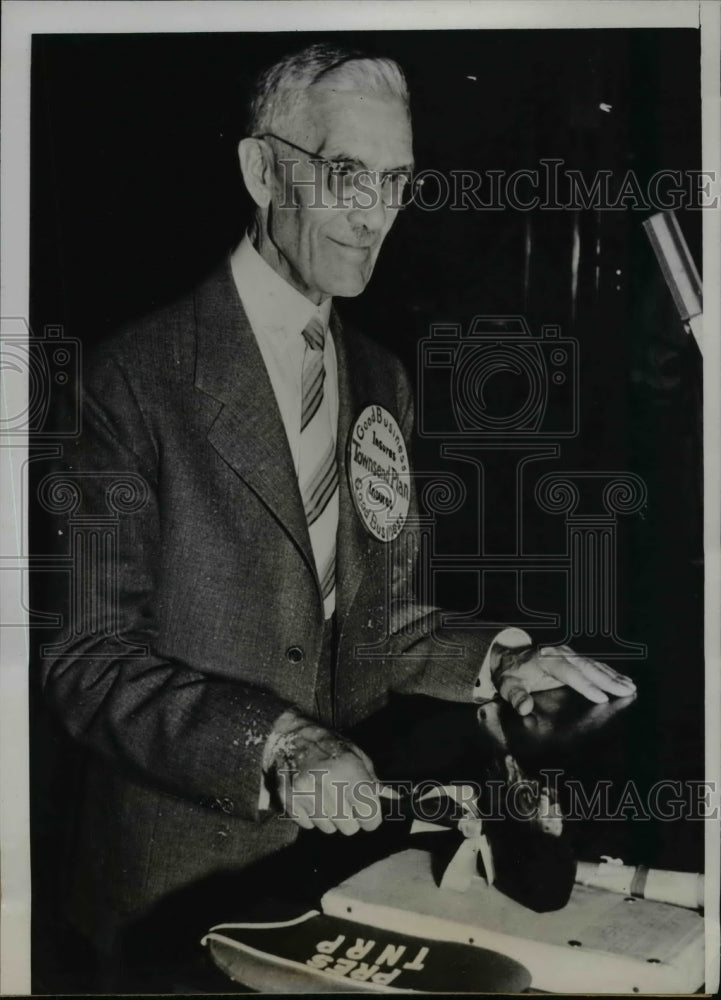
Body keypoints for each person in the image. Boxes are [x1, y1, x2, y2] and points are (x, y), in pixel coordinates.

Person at [41, 42, 635, 964]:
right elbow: (87, 658)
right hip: (172, 896)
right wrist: (275, 746)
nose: (374, 217)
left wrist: (505, 661)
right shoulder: (128, 380)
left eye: (396, 181)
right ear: (260, 167)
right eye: (346, 174)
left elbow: (378, 623)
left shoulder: (380, 378)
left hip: (335, 877)